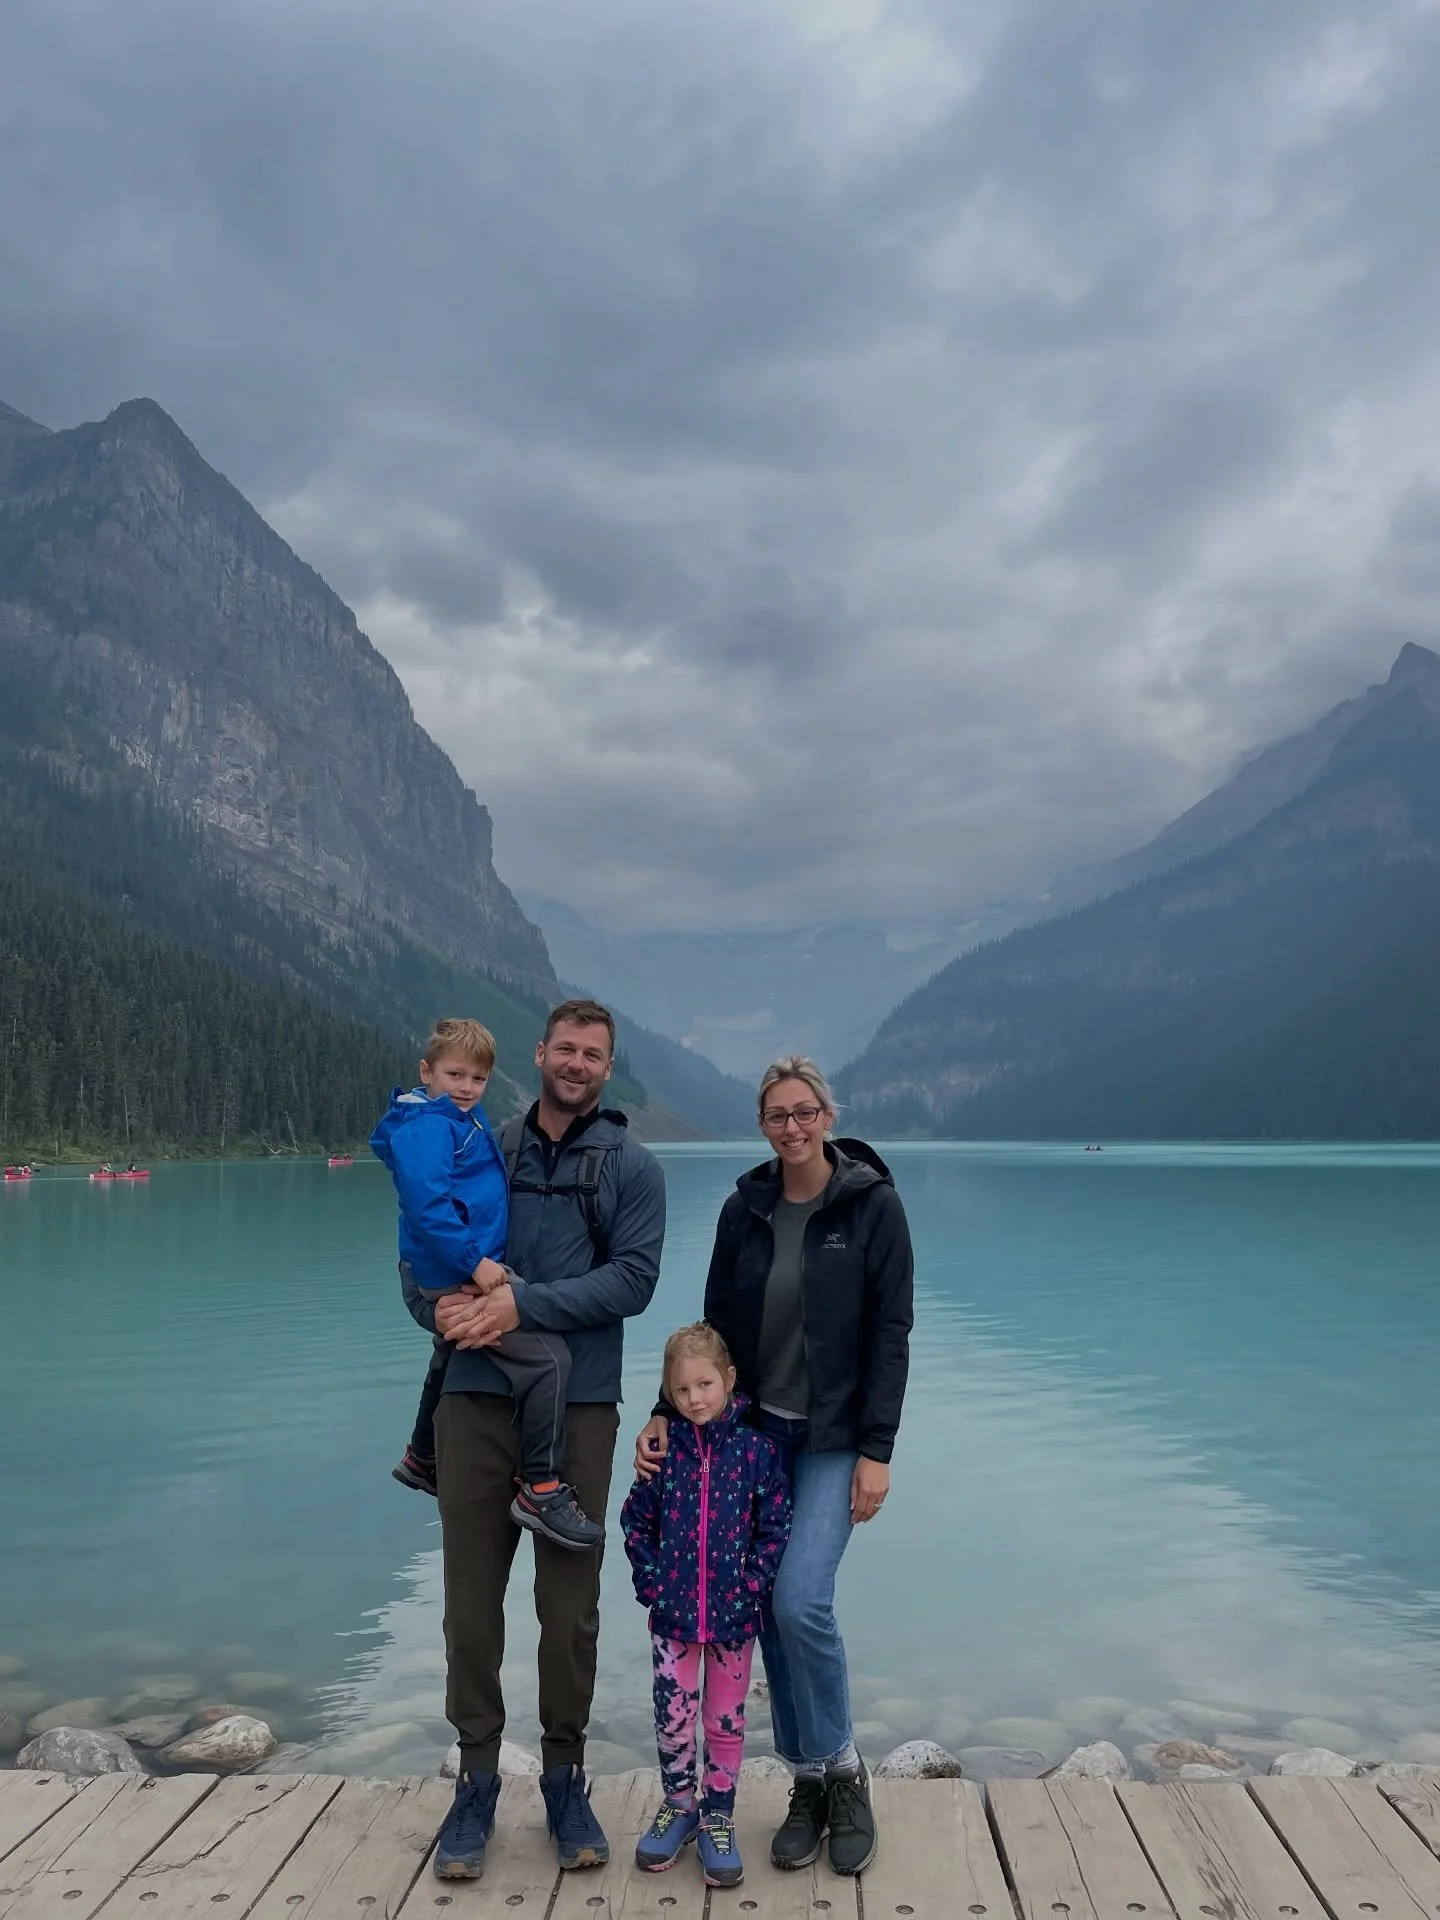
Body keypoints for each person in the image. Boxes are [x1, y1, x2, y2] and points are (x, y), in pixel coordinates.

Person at [634, 1055, 912, 1878]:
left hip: (831, 1441)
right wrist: (666, 1408)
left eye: (804, 1112)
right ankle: (805, 1785)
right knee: (763, 1604)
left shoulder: (872, 1207)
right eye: (775, 1115)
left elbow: (890, 1334)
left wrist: (878, 1452)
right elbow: (715, 1327)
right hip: (755, 1439)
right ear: (762, 1123)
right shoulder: (745, 1208)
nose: (791, 1127)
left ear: (829, 1114)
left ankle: (843, 1771)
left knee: (800, 1600)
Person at [409, 998, 666, 1883]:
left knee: (569, 1611)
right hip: (473, 1405)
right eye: (567, 1048)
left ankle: (564, 1777)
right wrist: (434, 1307)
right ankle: (476, 1780)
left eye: (595, 1054)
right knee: (470, 1607)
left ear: (607, 1065)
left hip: (581, 1410)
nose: (579, 1063)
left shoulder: (632, 1165)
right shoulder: (481, 1143)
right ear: (541, 1052)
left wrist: (522, 1304)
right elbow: (420, 1246)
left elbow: (633, 1281)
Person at [371, 1017, 602, 1552]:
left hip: (456, 1265)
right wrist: (476, 1265)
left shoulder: (452, 1120)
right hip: (461, 1268)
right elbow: (428, 1211)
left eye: (477, 1079)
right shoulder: (432, 1126)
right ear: (426, 1071)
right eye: (454, 1074)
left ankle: (420, 1457)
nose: (466, 1087)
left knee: (448, 1346)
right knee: (549, 1362)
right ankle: (540, 1489)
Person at [621, 1323, 791, 1889]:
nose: (695, 1398)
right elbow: (634, 1521)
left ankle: (718, 1816)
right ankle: (678, 1805)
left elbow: (775, 1528)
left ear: (729, 1380)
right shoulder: (662, 1454)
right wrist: (653, 1583)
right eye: (683, 1389)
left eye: (705, 1384)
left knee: (725, 1719)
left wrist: (750, 1586)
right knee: (673, 1716)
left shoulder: (756, 1453)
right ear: (669, 1395)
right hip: (671, 1618)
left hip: (734, 1621)